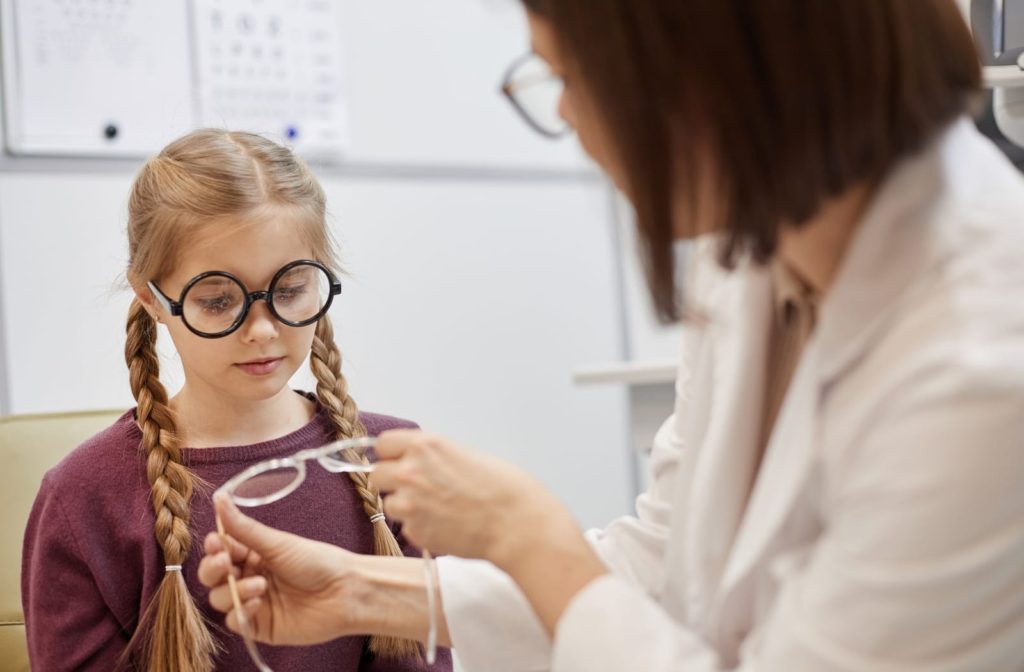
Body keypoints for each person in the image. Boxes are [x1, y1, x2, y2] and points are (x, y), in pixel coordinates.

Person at [199, 2, 1024, 670]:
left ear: (722, 70)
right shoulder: (754, 250)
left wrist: (529, 536)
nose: (564, 110)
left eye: (572, 74)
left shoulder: (984, 362)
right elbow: (672, 573)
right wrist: (361, 593)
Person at [21, 129, 452, 672]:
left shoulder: (395, 459)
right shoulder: (82, 496)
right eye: (219, 300)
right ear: (150, 296)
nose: (263, 330)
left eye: (291, 290)